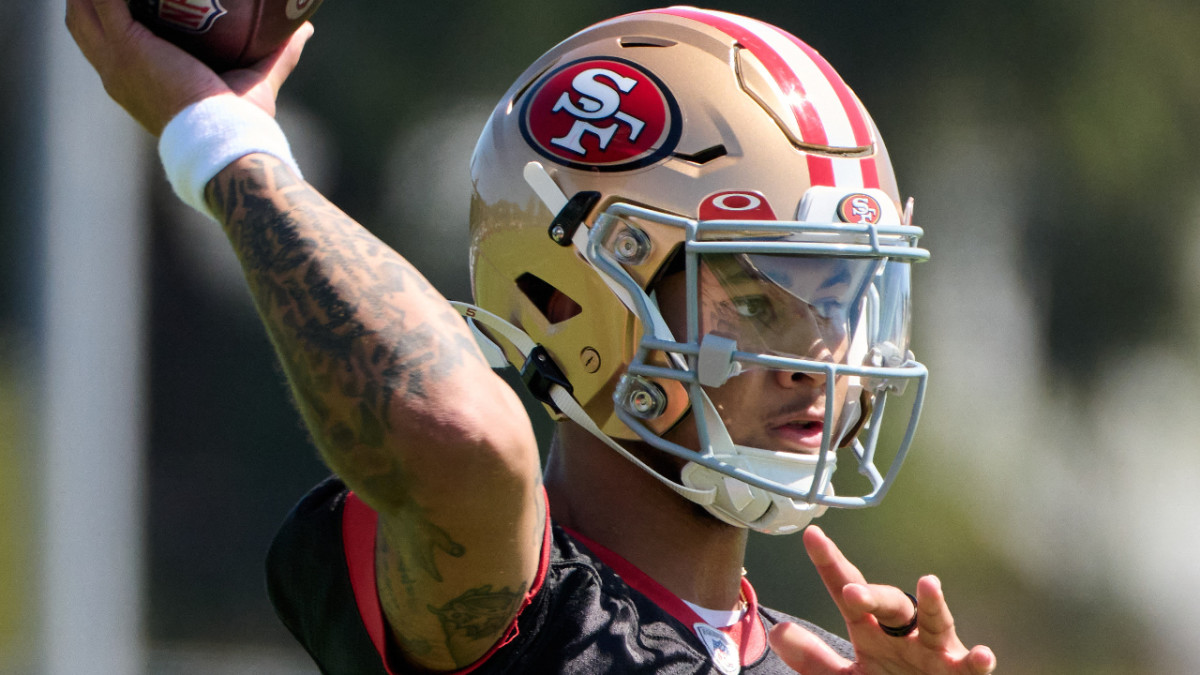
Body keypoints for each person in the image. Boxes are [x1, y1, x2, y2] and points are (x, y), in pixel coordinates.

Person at [66, 1, 997, 673]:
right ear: (574, 302)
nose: (825, 352)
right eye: (759, 300)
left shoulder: (827, 662)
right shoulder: (518, 611)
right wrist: (225, 139)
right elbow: (458, 428)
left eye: (842, 298)